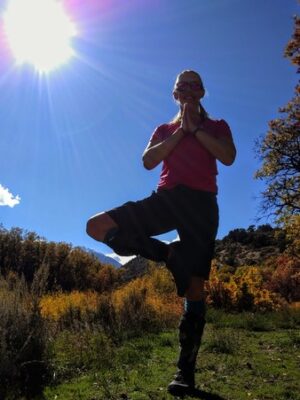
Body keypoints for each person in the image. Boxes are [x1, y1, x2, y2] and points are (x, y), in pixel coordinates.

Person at [86, 69, 236, 396]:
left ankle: (185, 374)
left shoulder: (217, 126)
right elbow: (148, 162)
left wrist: (196, 130)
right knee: (97, 226)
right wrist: (181, 132)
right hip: (166, 200)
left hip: (202, 205)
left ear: (202, 91)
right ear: (175, 94)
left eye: (194, 84)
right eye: (181, 86)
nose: (188, 89)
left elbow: (228, 157)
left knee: (195, 289)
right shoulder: (164, 129)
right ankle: (168, 253)